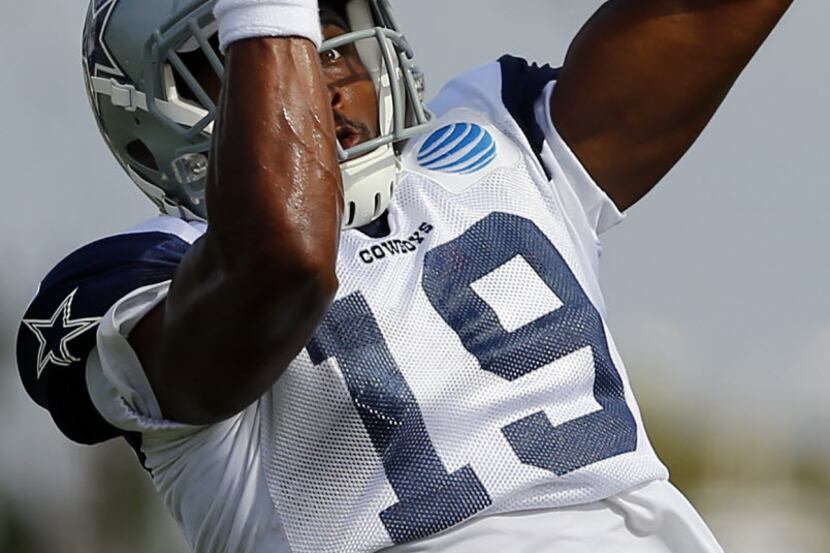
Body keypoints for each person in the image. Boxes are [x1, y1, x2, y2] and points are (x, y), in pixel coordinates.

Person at [16, 0, 793, 551]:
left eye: (331, 45)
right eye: (256, 58)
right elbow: (282, 258)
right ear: (159, 124)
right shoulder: (131, 280)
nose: (315, 82)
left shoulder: (502, 139)